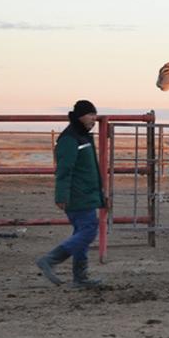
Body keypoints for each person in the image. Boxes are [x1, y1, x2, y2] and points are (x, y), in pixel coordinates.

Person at [35, 99, 106, 287]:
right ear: (81, 116)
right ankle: (51, 259)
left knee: (82, 232)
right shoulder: (70, 138)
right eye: (91, 114)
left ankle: (80, 278)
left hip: (84, 193)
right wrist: (61, 196)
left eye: (95, 114)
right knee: (89, 230)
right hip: (77, 195)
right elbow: (64, 169)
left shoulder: (81, 136)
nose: (94, 118)